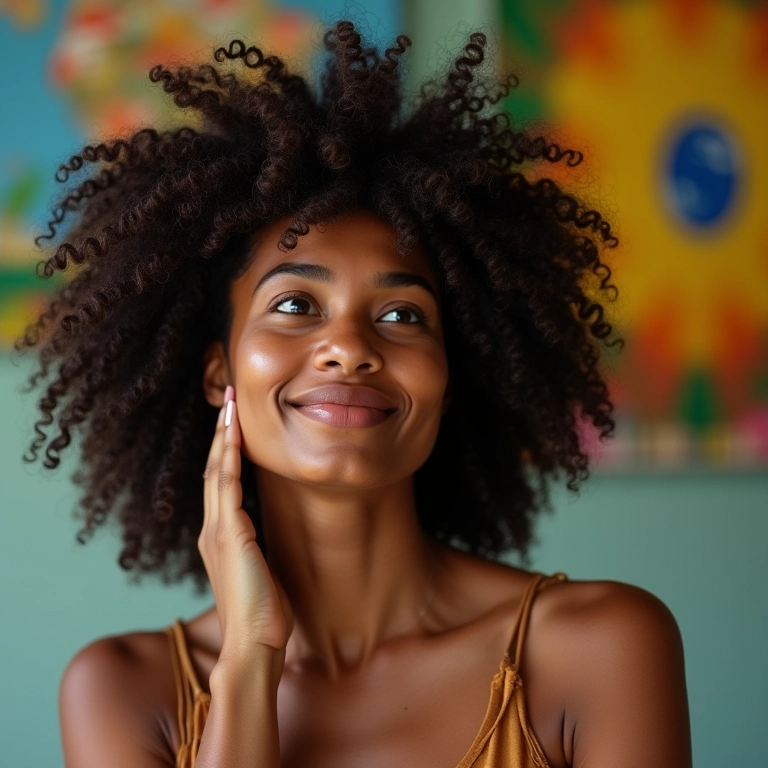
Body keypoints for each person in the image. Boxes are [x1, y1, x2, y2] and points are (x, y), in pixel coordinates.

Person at [17, 20, 691, 768]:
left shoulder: (599, 647)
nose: (349, 347)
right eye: (296, 305)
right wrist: (249, 660)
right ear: (219, 371)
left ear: (449, 375)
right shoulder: (124, 692)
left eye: (404, 316)